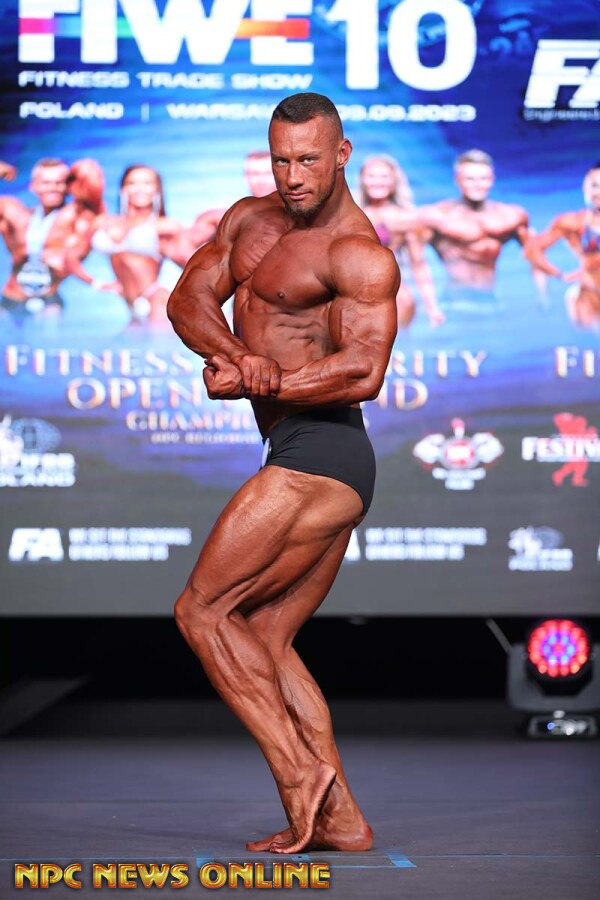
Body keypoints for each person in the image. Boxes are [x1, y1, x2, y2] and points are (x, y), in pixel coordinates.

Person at [167, 93, 398, 854]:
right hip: (301, 452)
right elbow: (187, 299)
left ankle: (300, 775)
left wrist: (264, 381)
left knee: (202, 611)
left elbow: (363, 371)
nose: (293, 175)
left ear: (342, 154)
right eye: (281, 159)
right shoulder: (249, 220)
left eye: (308, 159)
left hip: (325, 454)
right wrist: (237, 357)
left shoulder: (357, 252)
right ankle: (343, 819)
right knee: (263, 635)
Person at [419, 149, 544, 314]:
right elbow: (414, 261)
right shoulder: (437, 216)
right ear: (457, 180)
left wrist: (542, 295)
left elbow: (536, 257)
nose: (477, 185)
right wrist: (430, 305)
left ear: (492, 180)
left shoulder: (511, 216)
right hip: (453, 304)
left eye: (483, 179)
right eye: (469, 179)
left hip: (491, 302)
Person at [68, 164, 183, 327]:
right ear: (122, 189)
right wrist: (97, 283)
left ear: (157, 190)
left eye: (147, 183)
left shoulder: (166, 226)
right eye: (132, 183)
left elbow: (196, 267)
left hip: (158, 303)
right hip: (132, 308)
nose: (139, 189)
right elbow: (70, 258)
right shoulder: (103, 222)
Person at [0, 157, 106, 319]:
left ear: (68, 186)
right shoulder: (14, 213)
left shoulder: (76, 215)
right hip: (12, 298)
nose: (53, 188)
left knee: (50, 326)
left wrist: (78, 171)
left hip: (49, 300)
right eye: (46, 183)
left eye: (59, 183)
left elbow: (93, 184)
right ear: (33, 186)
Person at [358, 154, 444, 327]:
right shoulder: (347, 212)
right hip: (349, 288)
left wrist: (432, 307)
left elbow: (418, 264)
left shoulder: (407, 218)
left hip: (389, 290)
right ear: (362, 179)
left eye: (384, 177)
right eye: (372, 176)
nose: (378, 182)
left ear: (394, 181)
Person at [524, 164, 600, 330]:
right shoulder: (572, 222)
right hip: (589, 297)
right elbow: (532, 250)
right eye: (595, 185)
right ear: (585, 188)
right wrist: (560, 275)